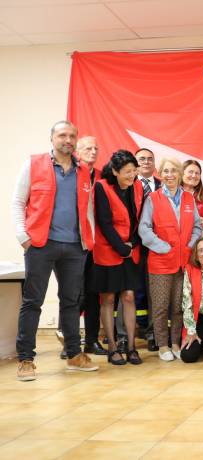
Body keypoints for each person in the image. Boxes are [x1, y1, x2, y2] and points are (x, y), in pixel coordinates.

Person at [12, 120, 99, 381]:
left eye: (73, 136)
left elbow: (87, 208)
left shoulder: (83, 171)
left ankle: (74, 354)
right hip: (40, 244)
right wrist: (22, 236)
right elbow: (18, 200)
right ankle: (26, 359)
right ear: (52, 138)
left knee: (71, 302)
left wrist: (87, 241)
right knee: (33, 302)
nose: (68, 140)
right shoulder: (34, 164)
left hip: (74, 246)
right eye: (63, 135)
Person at [139, 157, 203, 361]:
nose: (169, 175)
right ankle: (163, 345)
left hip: (183, 261)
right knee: (160, 307)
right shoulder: (153, 199)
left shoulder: (188, 199)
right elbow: (144, 229)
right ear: (161, 174)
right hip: (160, 262)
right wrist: (164, 247)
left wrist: (189, 245)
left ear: (179, 174)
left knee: (178, 306)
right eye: (165, 171)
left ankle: (175, 342)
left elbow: (197, 227)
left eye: (173, 171)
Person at [56, 136, 106, 358]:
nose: (93, 151)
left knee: (93, 293)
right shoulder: (71, 174)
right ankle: (69, 343)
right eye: (88, 148)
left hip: (96, 244)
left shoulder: (102, 178)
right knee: (71, 294)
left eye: (96, 148)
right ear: (77, 150)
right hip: (72, 243)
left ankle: (92, 341)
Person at [92, 150, 144, 365]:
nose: (132, 176)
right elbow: (104, 222)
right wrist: (121, 248)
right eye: (127, 172)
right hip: (108, 250)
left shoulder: (137, 187)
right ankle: (112, 347)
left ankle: (131, 347)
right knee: (108, 298)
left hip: (130, 250)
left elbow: (137, 217)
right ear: (115, 171)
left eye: (134, 171)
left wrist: (132, 244)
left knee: (129, 296)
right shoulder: (102, 186)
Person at [135, 147, 161, 352]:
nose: (146, 162)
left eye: (150, 159)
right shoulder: (128, 185)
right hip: (133, 247)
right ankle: (127, 334)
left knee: (155, 292)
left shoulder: (163, 186)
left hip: (159, 246)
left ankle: (153, 333)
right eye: (142, 159)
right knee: (130, 291)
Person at [182, 159, 203, 239]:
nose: (194, 175)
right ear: (182, 173)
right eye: (190, 172)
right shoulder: (174, 193)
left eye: (197, 173)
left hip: (199, 242)